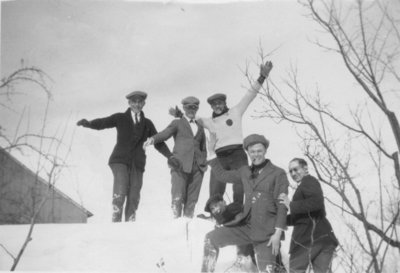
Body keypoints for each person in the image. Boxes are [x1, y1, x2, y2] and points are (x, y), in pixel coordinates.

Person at [77, 91, 174, 222]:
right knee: (121, 190)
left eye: (140, 102)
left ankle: (130, 225)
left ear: (144, 104)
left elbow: (158, 142)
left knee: (134, 195)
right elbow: (103, 123)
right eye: (134, 102)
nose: (137, 104)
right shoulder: (120, 118)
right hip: (119, 160)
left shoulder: (147, 123)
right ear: (129, 103)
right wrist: (89, 123)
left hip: (137, 163)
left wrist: (170, 156)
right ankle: (116, 222)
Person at [201, 134, 289, 273]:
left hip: (267, 233)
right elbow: (222, 175)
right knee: (211, 239)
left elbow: (282, 205)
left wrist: (277, 234)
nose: (256, 155)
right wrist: (212, 153)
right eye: (252, 151)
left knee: (269, 270)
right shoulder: (244, 171)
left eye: (259, 151)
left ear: (265, 150)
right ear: (247, 152)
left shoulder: (278, 173)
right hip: (247, 228)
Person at [200, 61, 273, 205]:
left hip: (237, 154)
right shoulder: (208, 122)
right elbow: (192, 119)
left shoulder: (236, 111)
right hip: (219, 156)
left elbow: (250, 95)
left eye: (220, 103)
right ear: (211, 107)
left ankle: (239, 211)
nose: (217, 106)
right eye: (214, 105)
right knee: (216, 184)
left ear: (225, 103)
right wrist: (179, 114)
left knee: (240, 184)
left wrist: (262, 77)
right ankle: (215, 214)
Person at [143, 96, 207, 218]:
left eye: (194, 108)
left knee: (192, 200)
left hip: (197, 168)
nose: (191, 110)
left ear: (197, 109)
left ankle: (187, 225)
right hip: (180, 165)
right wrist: (152, 139)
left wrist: (203, 162)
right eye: (188, 107)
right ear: (184, 108)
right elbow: (165, 133)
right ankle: (175, 225)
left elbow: (203, 146)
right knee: (177, 197)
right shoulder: (177, 123)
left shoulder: (200, 126)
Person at [279, 158, 338, 273]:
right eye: (290, 171)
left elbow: (316, 202)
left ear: (305, 168)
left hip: (308, 240)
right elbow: (304, 216)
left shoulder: (309, 181)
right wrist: (282, 220)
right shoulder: (307, 184)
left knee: (295, 270)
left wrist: (290, 204)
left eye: (296, 169)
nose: (293, 174)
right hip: (324, 239)